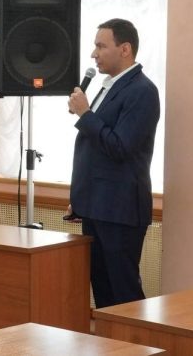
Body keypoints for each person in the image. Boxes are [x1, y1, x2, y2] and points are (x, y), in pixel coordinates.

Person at [66, 18, 160, 309]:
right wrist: (81, 199)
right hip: (96, 207)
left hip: (120, 210)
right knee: (103, 293)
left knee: (124, 294)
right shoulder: (110, 86)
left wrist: (85, 114)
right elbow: (95, 152)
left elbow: (120, 147)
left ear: (125, 49)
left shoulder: (142, 91)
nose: (93, 54)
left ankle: (138, 339)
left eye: (101, 46)